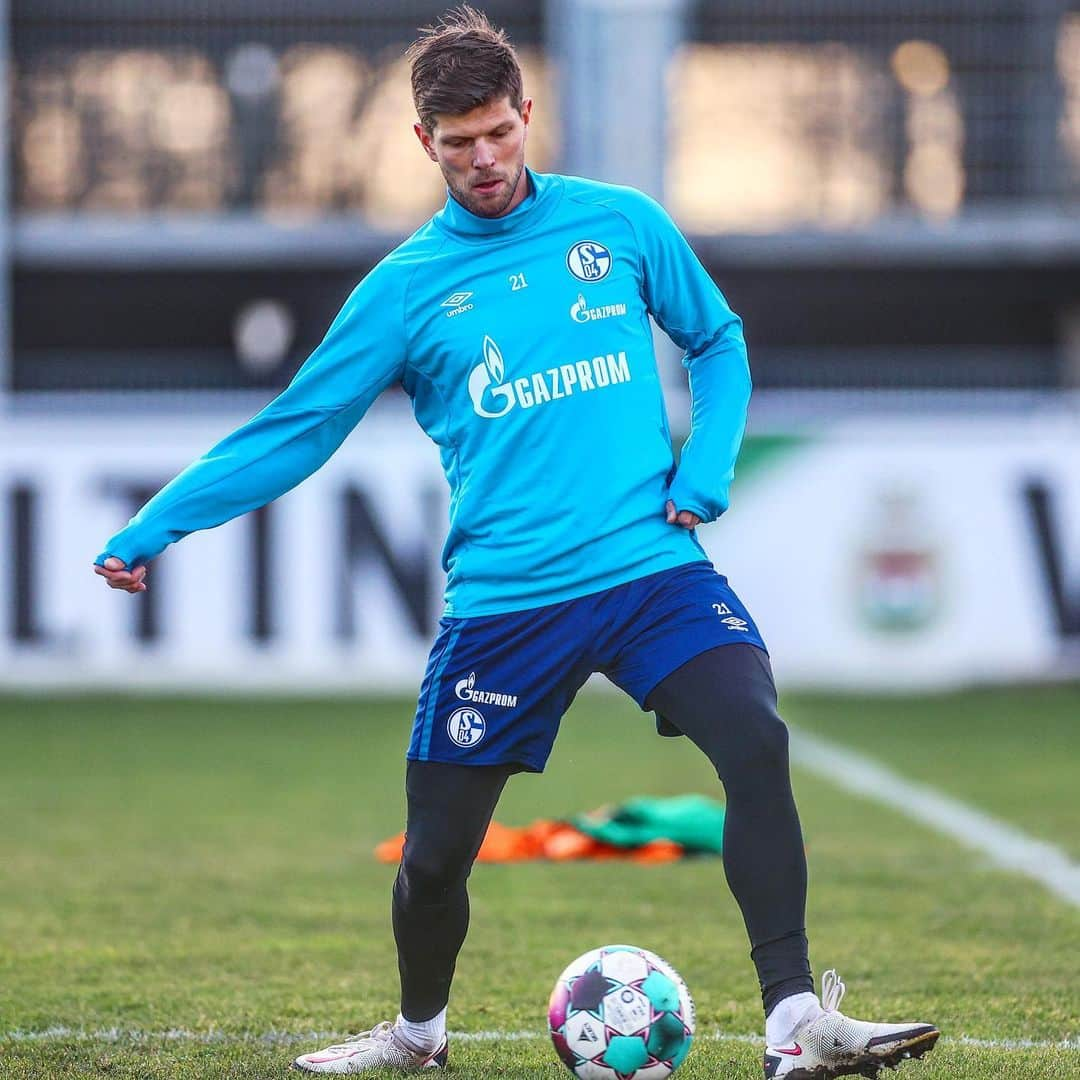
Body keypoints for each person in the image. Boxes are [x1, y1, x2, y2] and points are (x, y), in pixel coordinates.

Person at [93, 7, 939, 1078]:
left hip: (649, 570)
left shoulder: (620, 225)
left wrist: (706, 467)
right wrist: (154, 524)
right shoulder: (405, 289)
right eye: (458, 144)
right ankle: (417, 1036)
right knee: (437, 856)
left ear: (527, 114)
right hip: (506, 603)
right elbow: (296, 430)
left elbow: (715, 341)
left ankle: (792, 1027)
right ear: (423, 144)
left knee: (756, 742)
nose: (484, 160)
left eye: (499, 133)